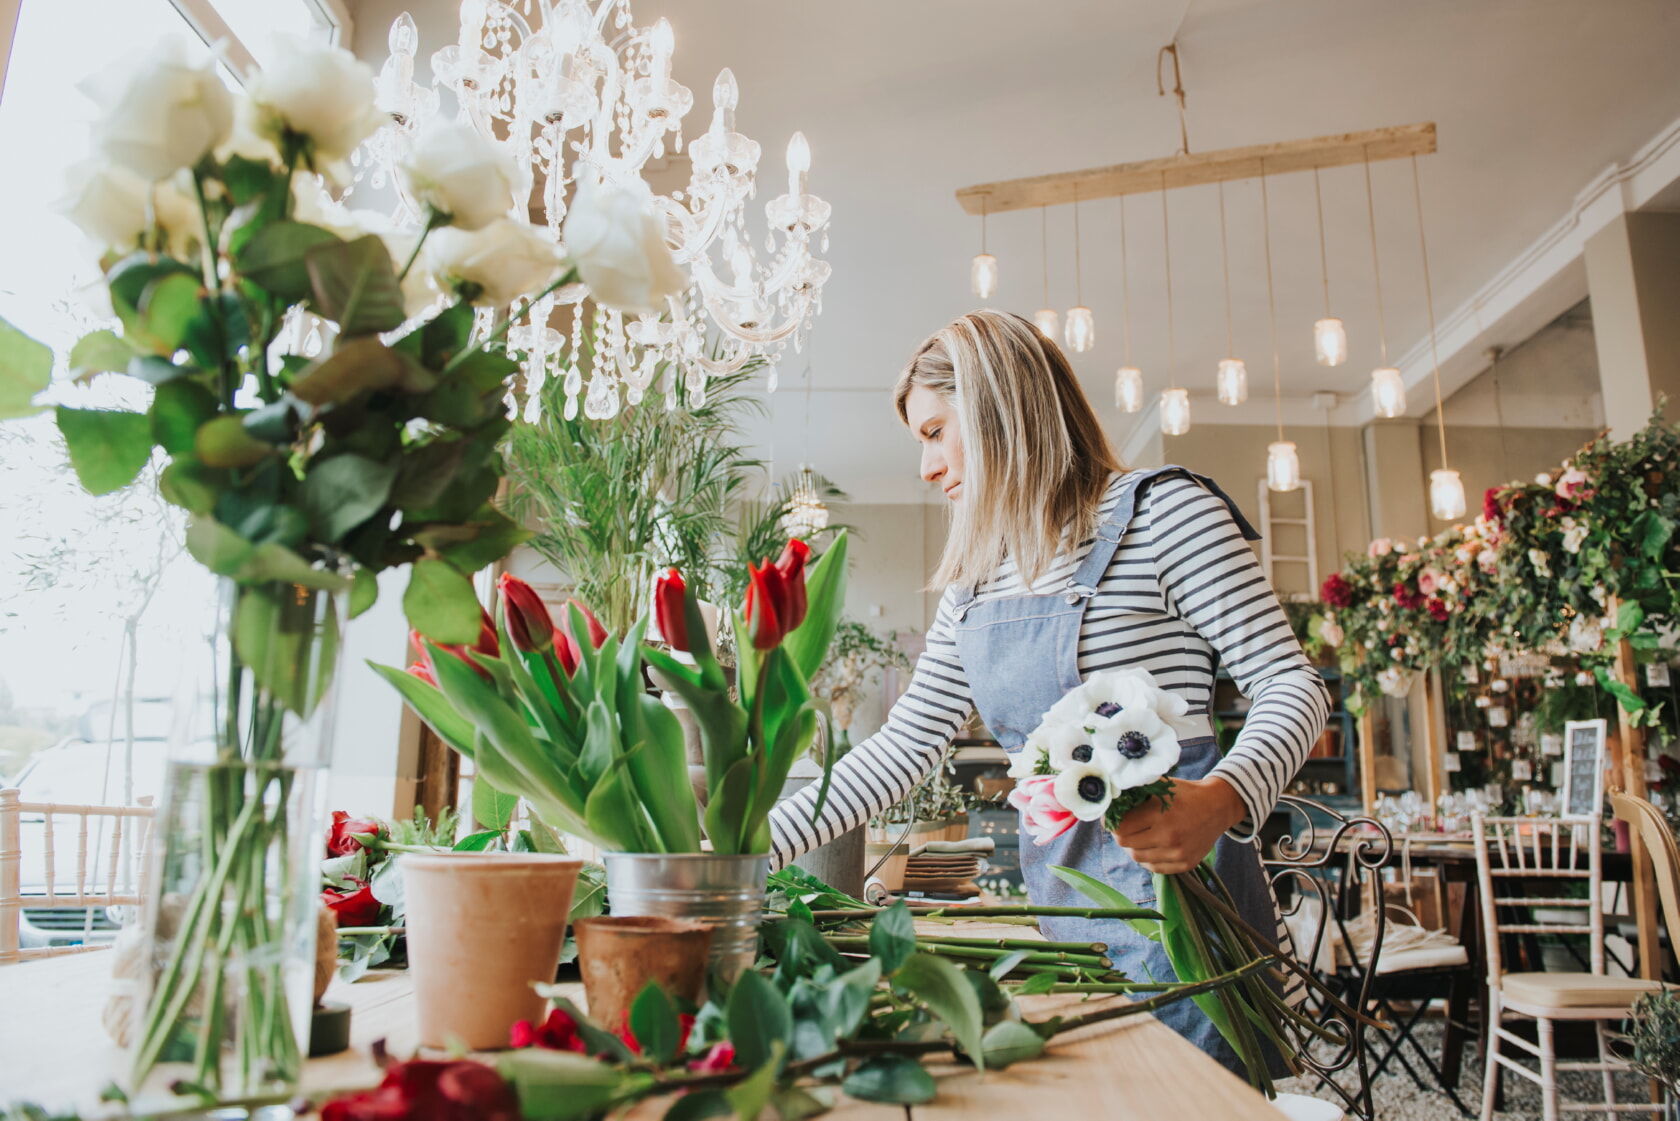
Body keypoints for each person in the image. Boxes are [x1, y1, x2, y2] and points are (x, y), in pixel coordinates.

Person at [767, 309, 1329, 1075]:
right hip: (1064, 920)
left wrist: (1224, 798)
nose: (926, 468)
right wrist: (745, 849)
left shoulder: (1166, 513)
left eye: (935, 431)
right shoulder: (976, 579)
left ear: (997, 403)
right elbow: (905, 746)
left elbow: (1291, 682)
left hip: (1190, 923)